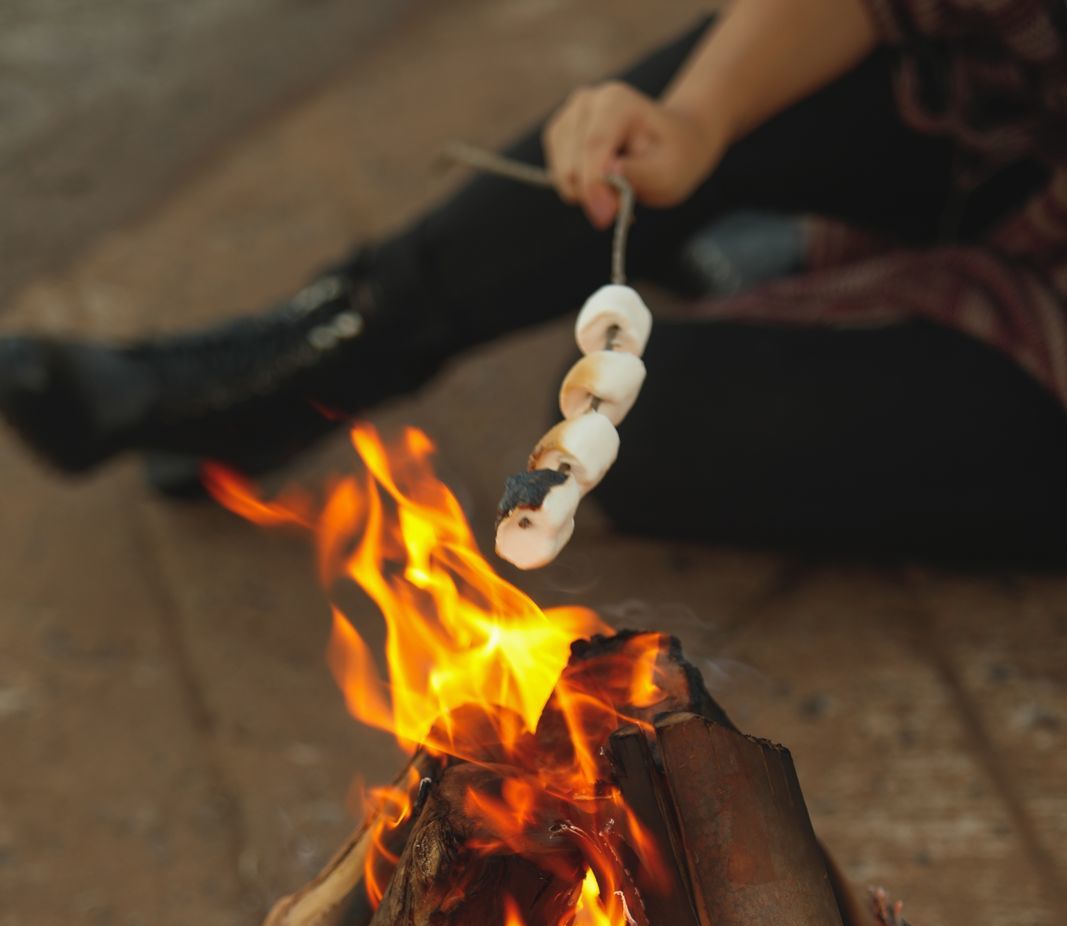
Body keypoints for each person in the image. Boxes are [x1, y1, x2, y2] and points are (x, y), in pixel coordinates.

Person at [2, 0, 1066, 554]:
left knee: (657, 433)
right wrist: (694, 122)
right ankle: (302, 358)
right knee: (670, 125)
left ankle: (786, 257)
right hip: (1006, 114)